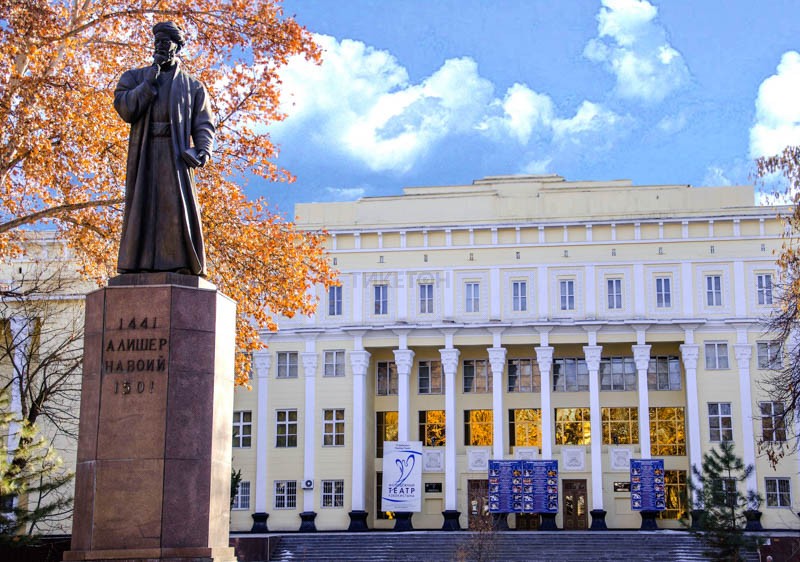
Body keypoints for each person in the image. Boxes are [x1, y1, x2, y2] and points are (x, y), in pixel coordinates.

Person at [114, 21, 215, 276]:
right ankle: (137, 264)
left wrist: (203, 150)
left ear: (178, 47)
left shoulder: (193, 86)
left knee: (174, 211)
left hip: (175, 156)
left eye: (166, 41)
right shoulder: (135, 77)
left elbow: (203, 123)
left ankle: (179, 264)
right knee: (142, 208)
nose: (160, 46)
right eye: (157, 41)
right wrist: (149, 81)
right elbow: (126, 109)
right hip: (146, 155)